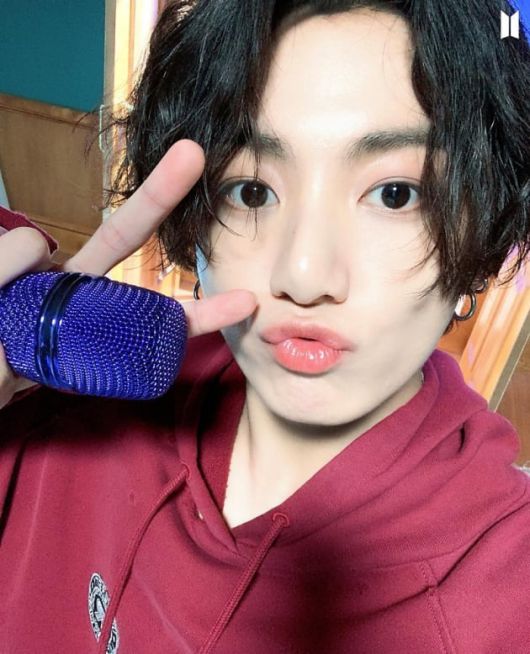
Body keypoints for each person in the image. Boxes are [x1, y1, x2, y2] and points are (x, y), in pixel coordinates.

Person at [0, 0, 529, 652]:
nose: (303, 276)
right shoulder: (62, 393)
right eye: (251, 191)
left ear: (484, 233)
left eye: (397, 194)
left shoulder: (506, 597)